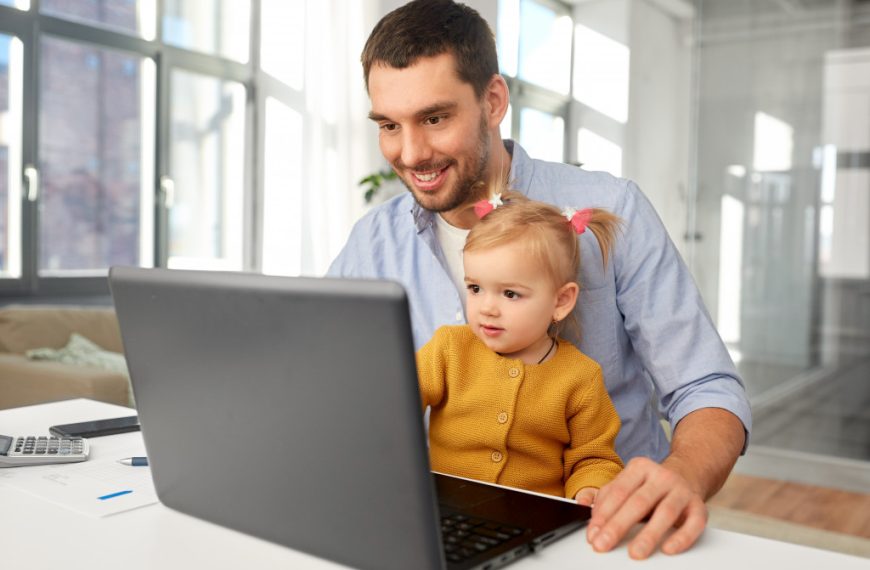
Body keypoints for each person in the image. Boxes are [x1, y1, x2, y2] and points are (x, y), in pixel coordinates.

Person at [328, 0, 751, 559]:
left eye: (434, 118)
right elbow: (335, 391)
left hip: (601, 533)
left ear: (494, 101)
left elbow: (706, 387)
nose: (410, 154)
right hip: (441, 528)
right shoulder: (372, 241)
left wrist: (684, 474)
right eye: (388, 125)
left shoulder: (610, 208)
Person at [417, 191, 624, 502]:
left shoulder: (581, 377)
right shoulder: (448, 350)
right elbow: (396, 402)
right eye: (475, 288)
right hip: (446, 508)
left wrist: (589, 488)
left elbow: (593, 458)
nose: (487, 307)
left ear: (561, 300)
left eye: (510, 294)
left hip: (535, 521)